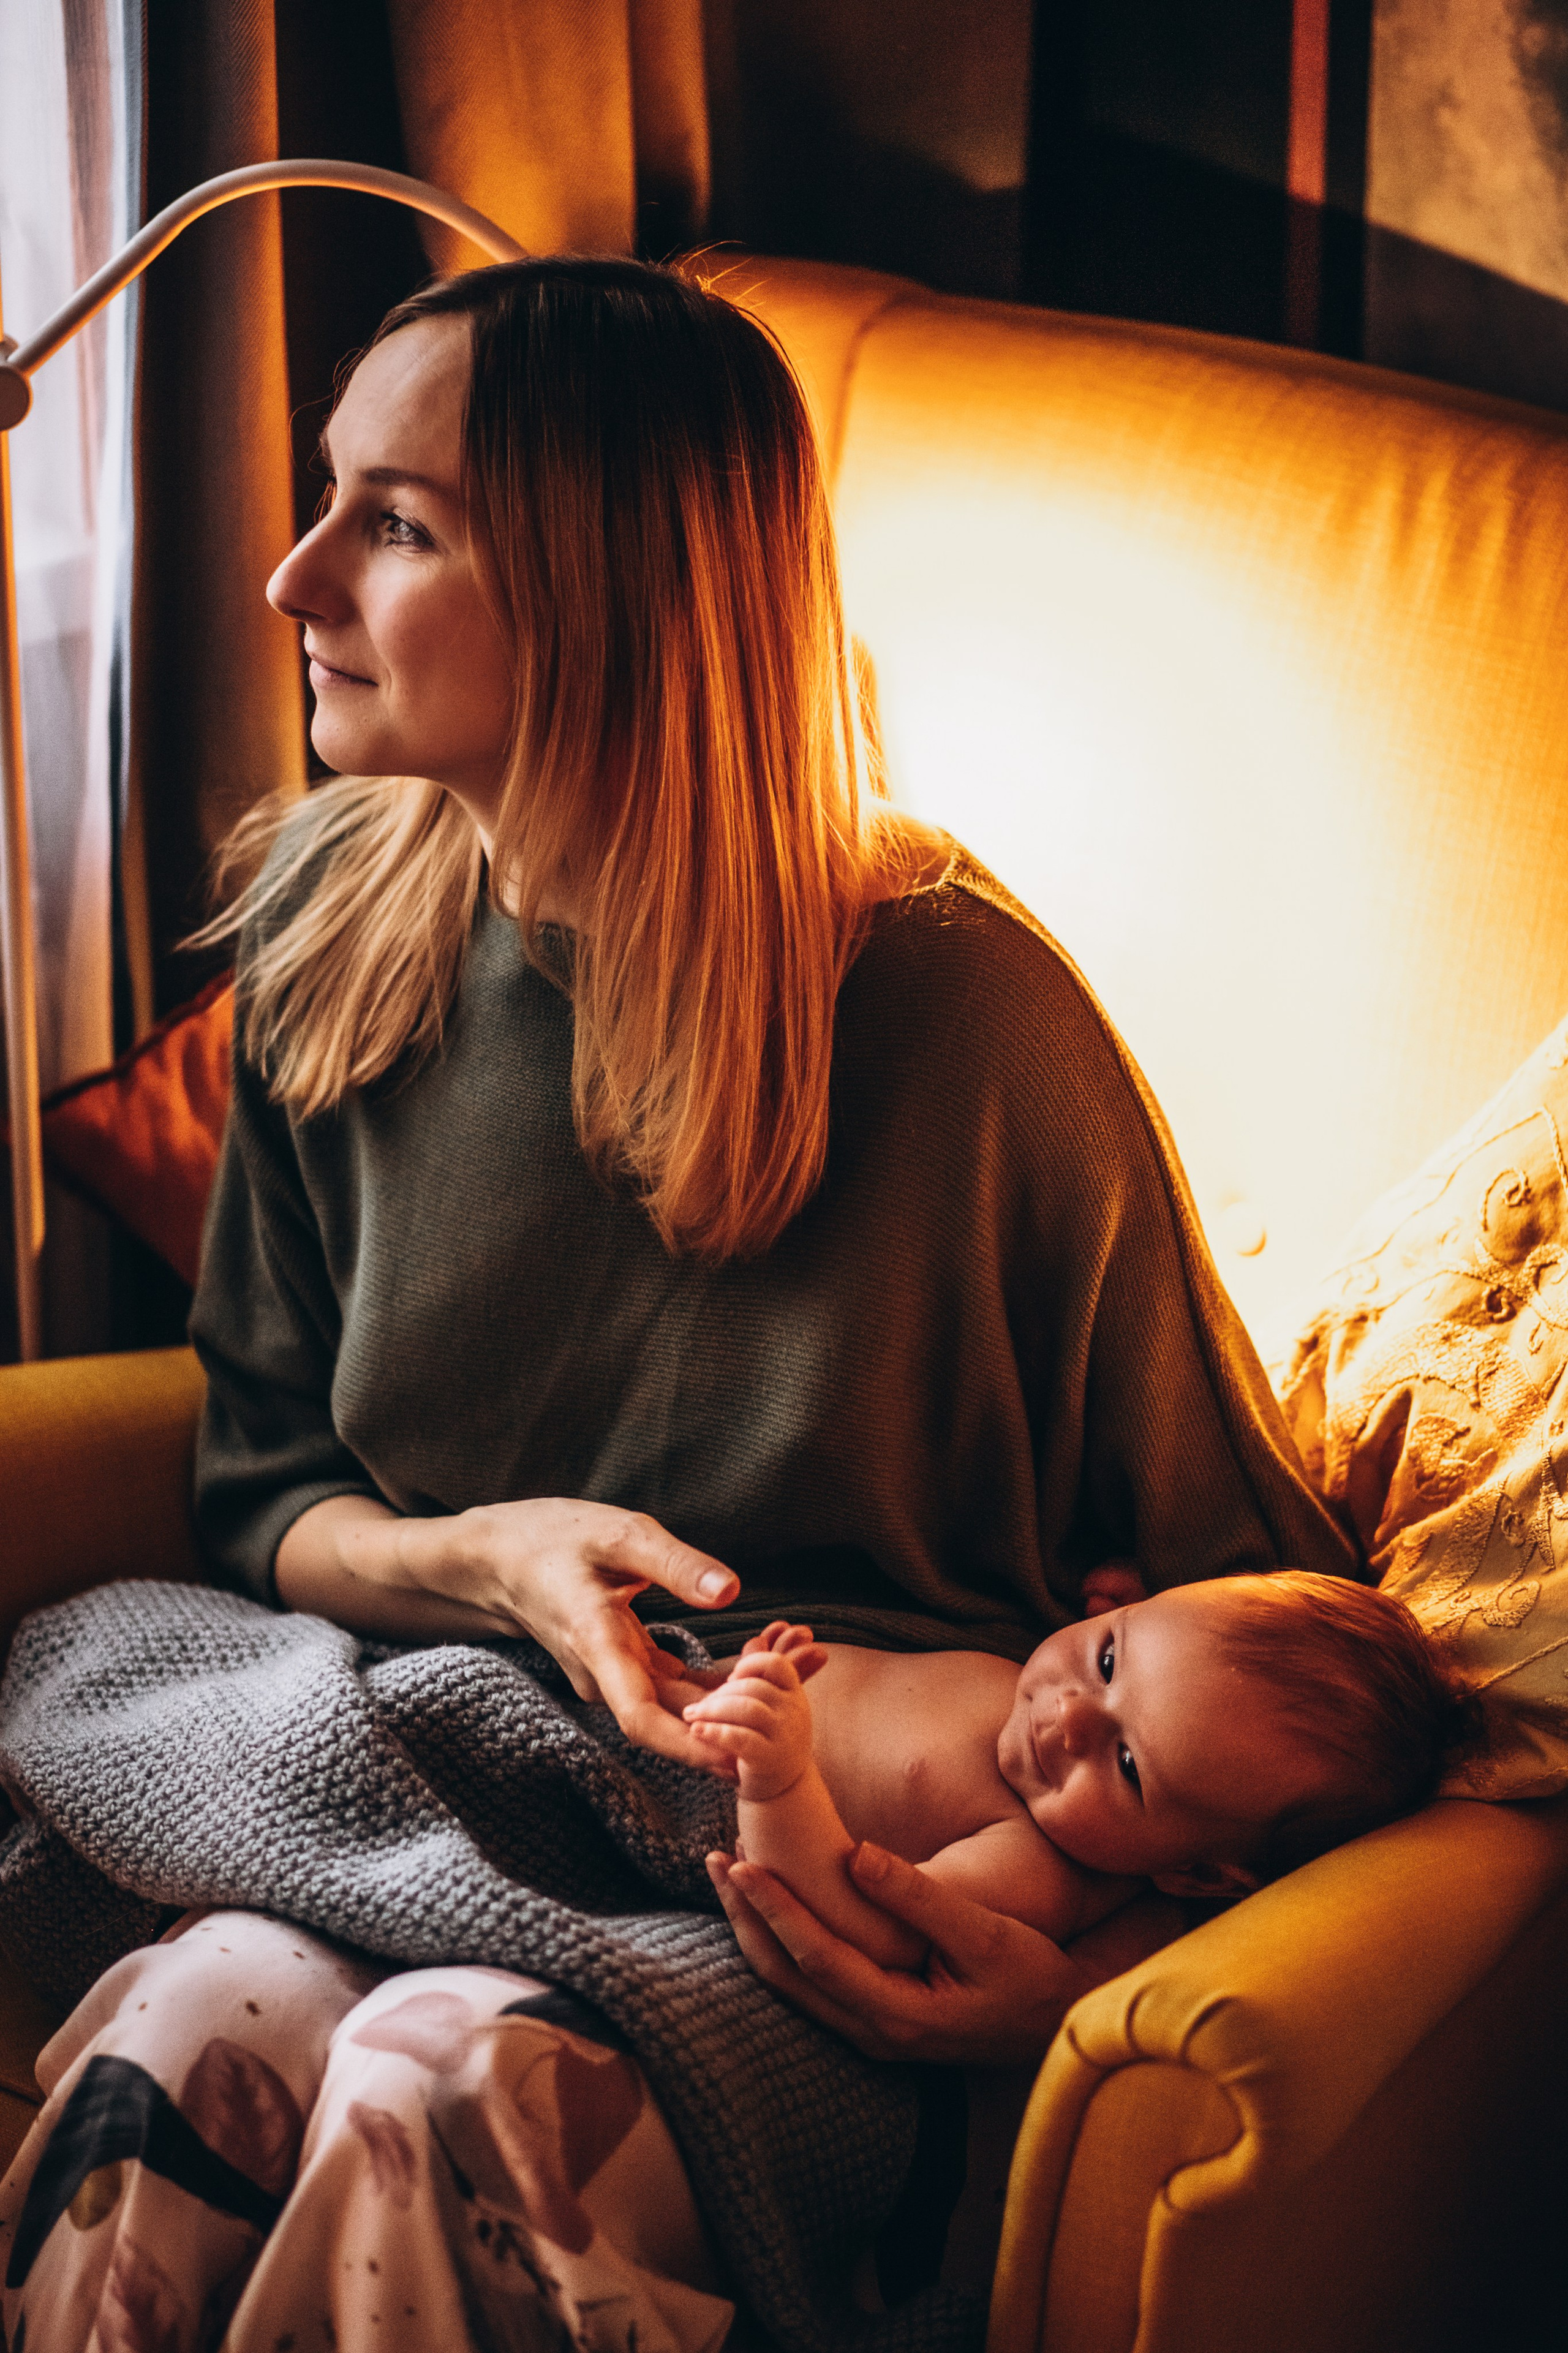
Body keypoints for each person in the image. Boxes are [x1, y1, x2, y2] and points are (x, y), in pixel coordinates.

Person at [0, 255, 1362, 2353]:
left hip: (790, 1895)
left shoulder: (968, 1022)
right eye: (330, 496)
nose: (290, 579)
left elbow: (1262, 1651)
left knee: (441, 2092)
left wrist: (1067, 1976)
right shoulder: (329, 932)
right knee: (188, 2028)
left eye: (397, 524)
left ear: (609, 602)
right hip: (427, 1767)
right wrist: (497, 1559)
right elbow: (262, 1497)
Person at [674, 1574, 1469, 1971]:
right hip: (677, 1683)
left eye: (1127, 1763)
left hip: (691, 1803)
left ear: (1195, 1874)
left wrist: (778, 1780)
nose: (1068, 1715)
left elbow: (852, 1926)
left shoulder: (1034, 1869)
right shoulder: (1055, 1679)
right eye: (1111, 1657)